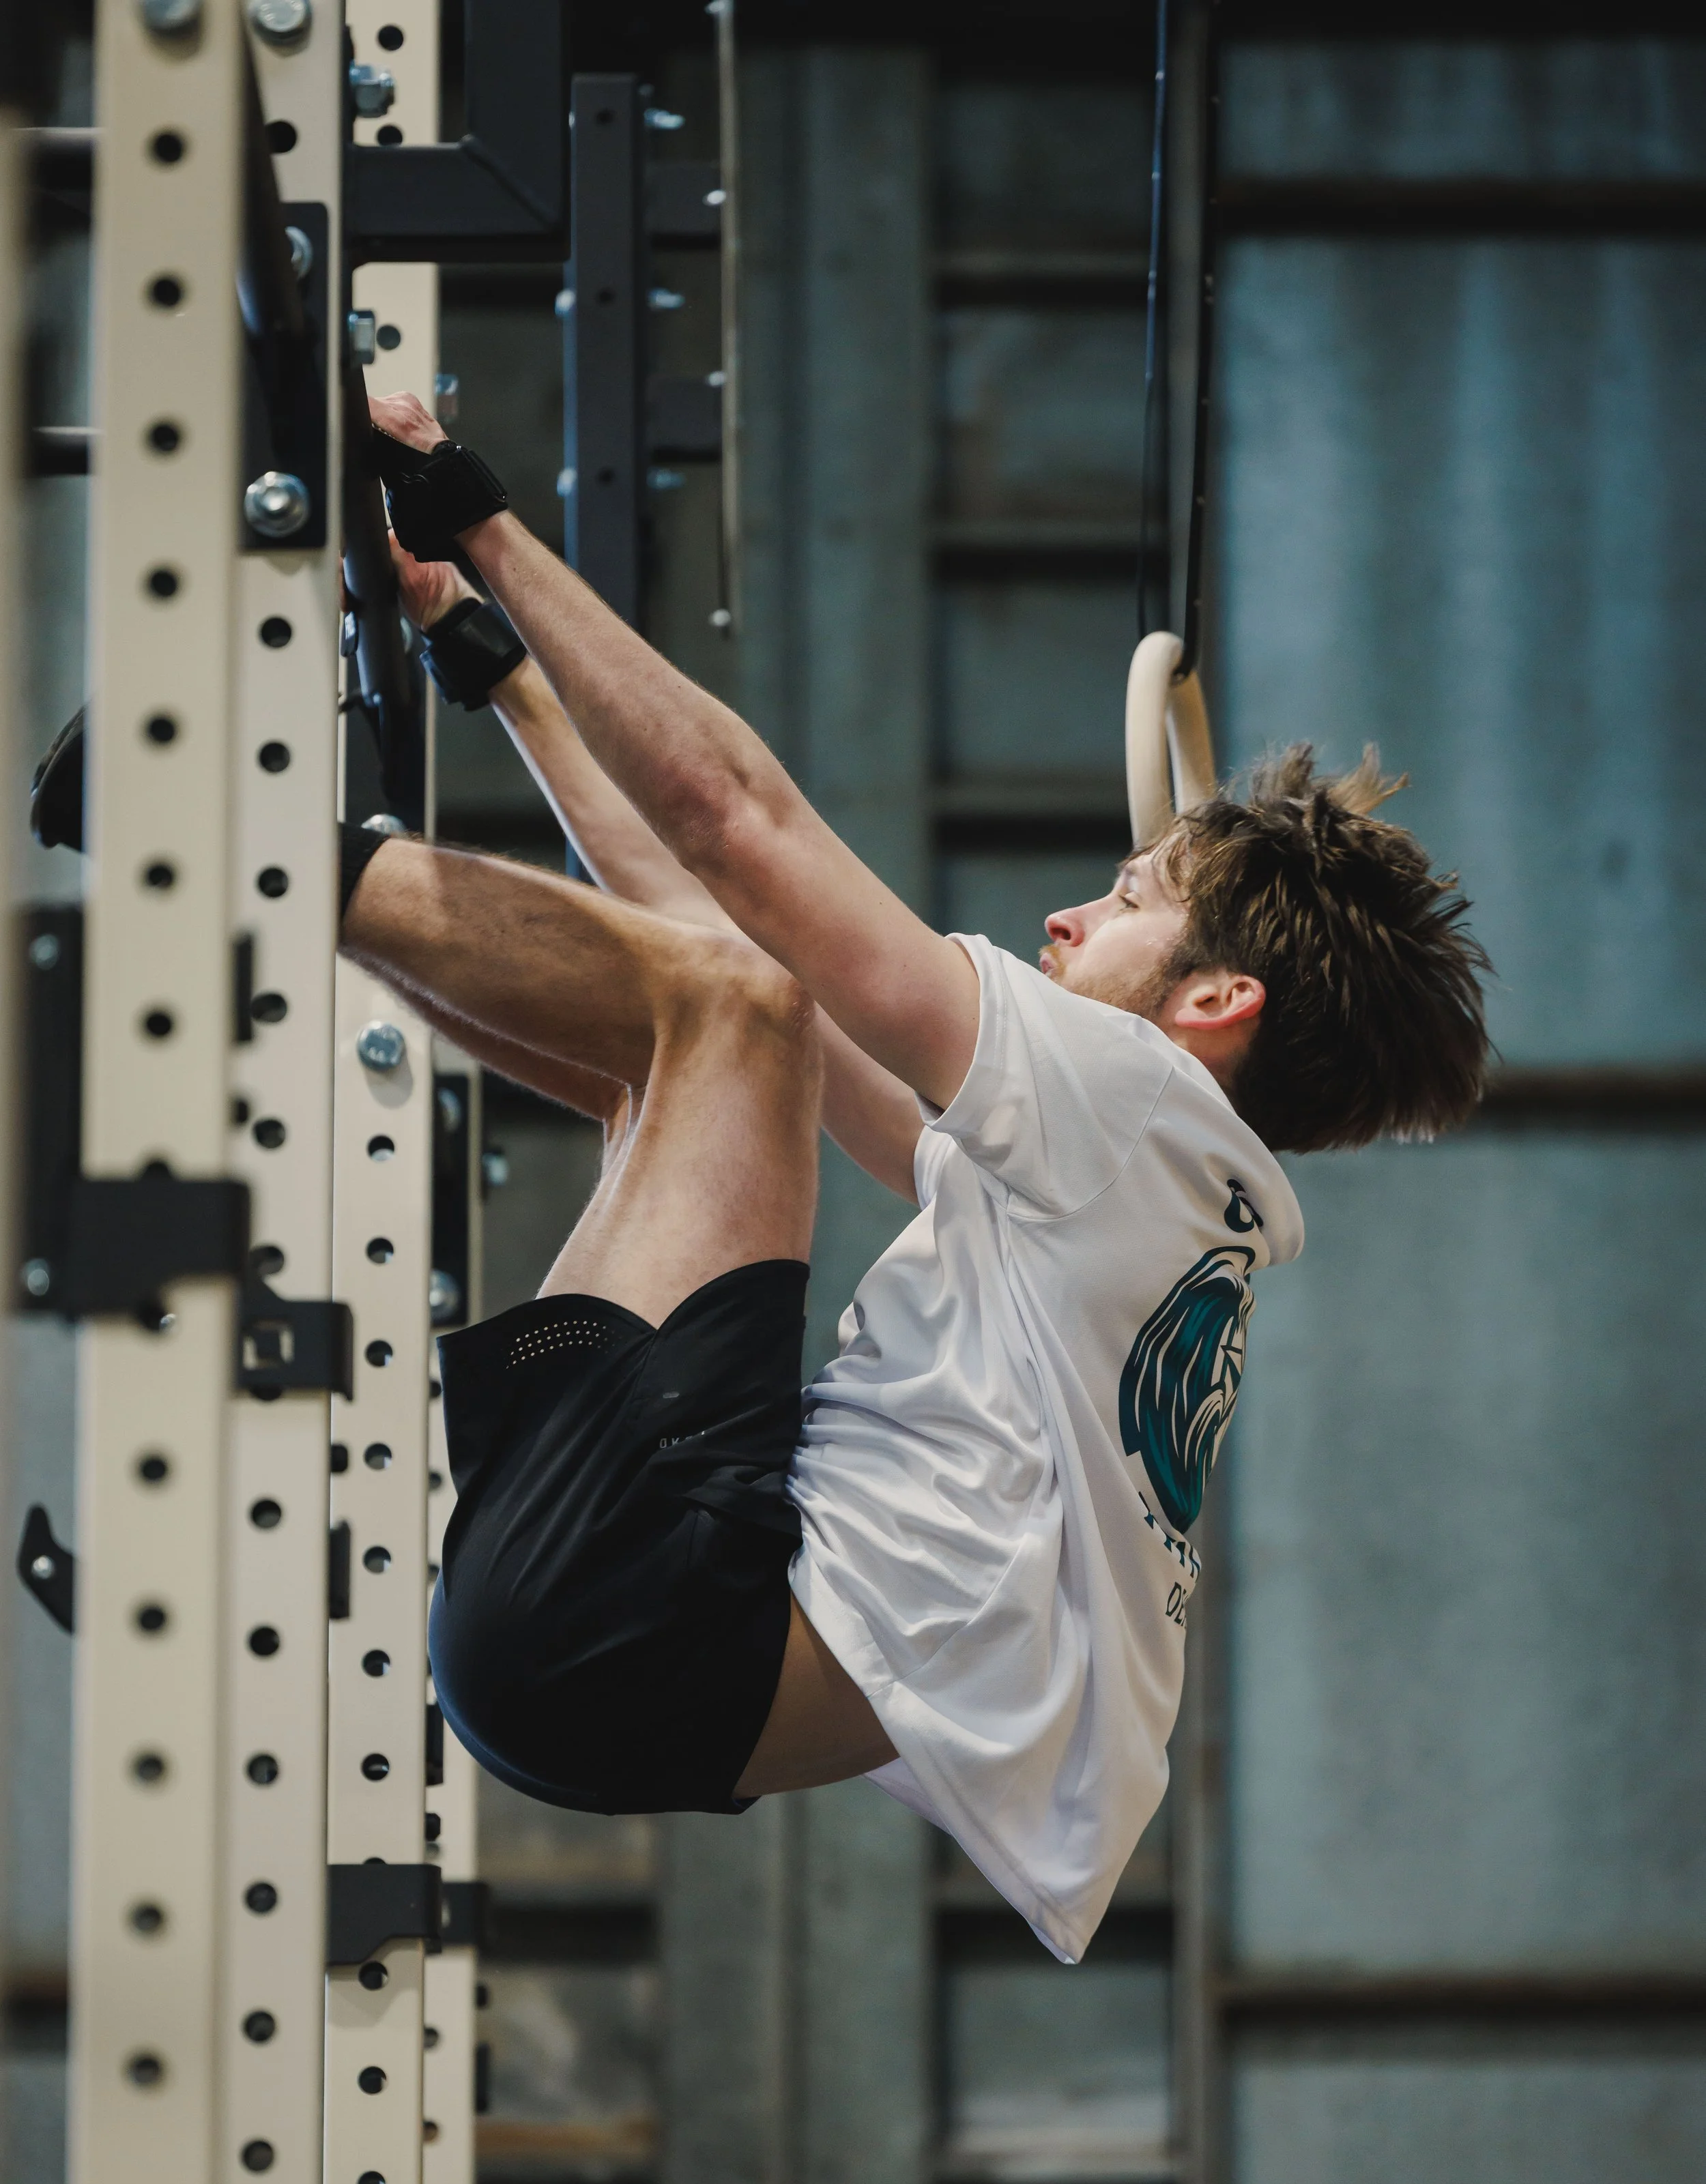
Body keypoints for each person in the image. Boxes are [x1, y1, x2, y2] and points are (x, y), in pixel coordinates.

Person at [344, 391, 1490, 1962]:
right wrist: (501, 669)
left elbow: (738, 827)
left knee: (738, 1012)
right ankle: (303, 887)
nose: (1068, 923)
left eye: (1127, 898)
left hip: (652, 1611)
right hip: (597, 1678)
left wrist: (473, 509)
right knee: (702, 1041)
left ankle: (272, 854)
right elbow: (721, 936)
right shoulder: (1142, 1217)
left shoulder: (1135, 1111)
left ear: (1216, 1004)